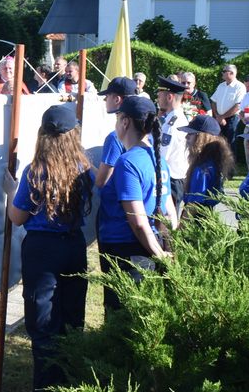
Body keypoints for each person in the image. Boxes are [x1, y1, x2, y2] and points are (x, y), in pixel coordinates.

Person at [6, 103, 93, 392]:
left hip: (42, 250)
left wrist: (10, 191)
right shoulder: (83, 168)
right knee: (71, 316)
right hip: (74, 246)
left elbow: (17, 217)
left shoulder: (35, 171)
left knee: (42, 320)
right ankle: (70, 386)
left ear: (43, 134)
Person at [97, 95, 174, 311]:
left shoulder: (128, 162)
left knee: (121, 317)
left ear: (125, 122)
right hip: (150, 244)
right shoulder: (157, 158)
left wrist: (159, 255)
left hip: (127, 251)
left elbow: (138, 222)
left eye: (117, 117)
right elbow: (168, 210)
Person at [179, 115, 233, 215]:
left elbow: (194, 205)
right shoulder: (213, 161)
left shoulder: (202, 168)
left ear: (202, 137)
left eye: (191, 133)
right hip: (207, 215)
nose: (186, 137)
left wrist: (180, 228)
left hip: (196, 219)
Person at [94, 76, 138, 189]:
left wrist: (85, 163)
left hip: (114, 204)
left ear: (117, 100)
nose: (105, 100)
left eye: (107, 96)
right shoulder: (144, 132)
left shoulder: (115, 137)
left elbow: (101, 182)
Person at [156, 76, 189, 215]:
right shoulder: (174, 118)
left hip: (171, 179)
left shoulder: (172, 124)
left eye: (159, 95)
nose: (157, 98)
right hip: (174, 178)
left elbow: (162, 156)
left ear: (169, 97)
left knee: (166, 221)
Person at [211, 64, 245, 149]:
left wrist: (222, 117)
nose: (222, 73)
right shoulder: (221, 85)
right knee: (218, 142)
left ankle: (231, 162)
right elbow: (214, 101)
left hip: (232, 119)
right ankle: (219, 161)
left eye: (224, 71)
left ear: (232, 73)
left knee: (230, 143)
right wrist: (218, 116)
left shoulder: (240, 86)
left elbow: (238, 105)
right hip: (219, 118)